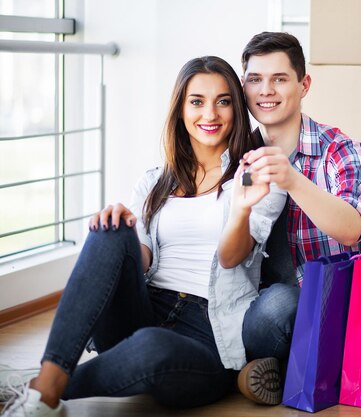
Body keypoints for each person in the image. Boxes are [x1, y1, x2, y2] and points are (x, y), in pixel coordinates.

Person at [0, 56, 286, 417]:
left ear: (236, 109)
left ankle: (41, 386)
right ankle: (45, 385)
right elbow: (144, 256)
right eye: (197, 101)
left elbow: (231, 257)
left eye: (223, 101)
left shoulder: (257, 175)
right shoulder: (154, 181)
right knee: (110, 228)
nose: (210, 114)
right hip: (144, 308)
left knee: (152, 345)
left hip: (206, 337)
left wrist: (242, 207)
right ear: (181, 109)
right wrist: (119, 233)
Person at [236, 32, 361, 405]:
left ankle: (282, 369)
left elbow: (351, 229)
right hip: (255, 301)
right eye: (255, 80)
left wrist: (291, 178)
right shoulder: (240, 154)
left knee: (279, 305)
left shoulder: (339, 150)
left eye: (279, 79)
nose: (266, 90)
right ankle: (282, 369)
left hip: (325, 303)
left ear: (303, 84)